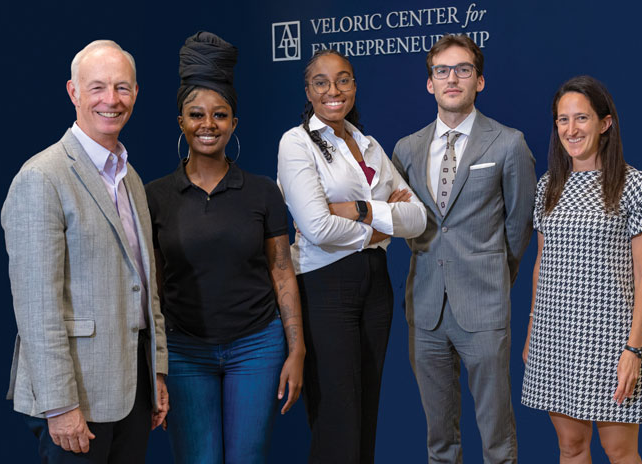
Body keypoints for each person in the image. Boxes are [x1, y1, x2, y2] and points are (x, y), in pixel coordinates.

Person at [1, 40, 168, 462]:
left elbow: (146, 286)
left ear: (136, 93)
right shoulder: (42, 177)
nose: (111, 100)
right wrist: (60, 405)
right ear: (73, 93)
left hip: (133, 390)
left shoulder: (130, 178)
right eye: (97, 88)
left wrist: (157, 371)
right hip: (77, 400)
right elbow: (38, 308)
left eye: (122, 88)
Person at [145, 31, 305, 464]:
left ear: (234, 122)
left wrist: (297, 349)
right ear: (180, 120)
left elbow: (282, 270)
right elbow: (152, 284)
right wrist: (154, 361)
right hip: (183, 350)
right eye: (196, 114)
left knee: (246, 458)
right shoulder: (154, 196)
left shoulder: (262, 192)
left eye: (220, 114)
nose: (208, 124)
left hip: (257, 345)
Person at [391, 34, 536, 463]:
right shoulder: (406, 149)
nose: (452, 78)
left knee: (496, 440)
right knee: (439, 441)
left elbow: (518, 226)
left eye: (463, 69)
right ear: (430, 84)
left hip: (485, 306)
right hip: (426, 308)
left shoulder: (508, 143)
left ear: (480, 81)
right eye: (442, 71)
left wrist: (493, 275)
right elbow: (403, 220)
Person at [277, 49, 427, 463]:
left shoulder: (369, 144)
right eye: (321, 82)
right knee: (336, 419)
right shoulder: (296, 143)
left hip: (374, 286)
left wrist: (358, 209)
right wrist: (382, 227)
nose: (333, 90)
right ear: (308, 91)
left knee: (365, 415)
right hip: (326, 287)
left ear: (355, 87)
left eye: (343, 80)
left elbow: (416, 219)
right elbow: (317, 228)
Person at [521, 75, 642, 463]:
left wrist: (633, 349)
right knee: (570, 449)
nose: (571, 130)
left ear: (605, 123)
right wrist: (533, 328)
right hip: (554, 337)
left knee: (619, 453)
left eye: (582, 118)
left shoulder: (634, 185)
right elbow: (542, 262)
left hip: (610, 341)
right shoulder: (548, 186)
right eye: (562, 120)